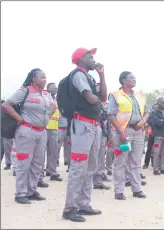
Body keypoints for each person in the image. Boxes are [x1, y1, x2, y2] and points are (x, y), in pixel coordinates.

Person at [63, 48, 107, 222]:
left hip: (92, 125)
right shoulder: (78, 75)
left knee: (90, 168)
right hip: (82, 125)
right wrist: (99, 102)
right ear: (81, 58)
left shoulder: (90, 76)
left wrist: (102, 75)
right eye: (90, 56)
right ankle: (70, 208)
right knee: (78, 167)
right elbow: (91, 98)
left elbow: (102, 96)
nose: (94, 58)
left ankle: (84, 204)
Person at [2, 68, 56, 204]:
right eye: (42, 77)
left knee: (37, 163)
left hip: (41, 132)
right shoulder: (25, 91)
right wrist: (19, 118)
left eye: (45, 77)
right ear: (34, 79)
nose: (45, 79)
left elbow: (53, 107)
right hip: (27, 131)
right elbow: (6, 104)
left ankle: (31, 190)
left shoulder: (45, 94)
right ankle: (20, 193)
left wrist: (46, 119)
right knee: (24, 162)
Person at [108, 71, 149, 201]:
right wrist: (121, 132)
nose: (134, 80)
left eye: (135, 78)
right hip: (124, 133)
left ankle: (136, 189)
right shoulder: (115, 95)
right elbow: (111, 115)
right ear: (123, 80)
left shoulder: (140, 95)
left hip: (138, 132)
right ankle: (119, 191)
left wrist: (142, 122)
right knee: (121, 161)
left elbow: (147, 112)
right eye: (131, 78)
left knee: (136, 161)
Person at [42, 83, 62, 182]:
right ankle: (40, 173)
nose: (54, 88)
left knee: (53, 152)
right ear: (47, 88)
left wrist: (57, 131)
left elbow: (57, 117)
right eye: (52, 87)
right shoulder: (44, 98)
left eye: (55, 87)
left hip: (54, 129)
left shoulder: (56, 101)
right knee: (41, 152)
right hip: (44, 128)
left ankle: (52, 172)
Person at [148, 97, 164, 176]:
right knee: (156, 152)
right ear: (157, 102)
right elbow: (156, 122)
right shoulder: (153, 112)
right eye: (161, 102)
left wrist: (163, 121)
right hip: (158, 135)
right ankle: (156, 168)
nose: (163, 104)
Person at [93, 101, 111, 190]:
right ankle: (87, 182)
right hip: (90, 129)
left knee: (100, 158)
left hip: (102, 131)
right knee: (91, 157)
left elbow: (107, 119)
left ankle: (98, 181)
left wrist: (109, 134)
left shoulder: (104, 105)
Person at [143, 104, 157, 169]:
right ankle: (146, 164)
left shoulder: (160, 114)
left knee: (156, 150)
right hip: (151, 134)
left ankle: (154, 163)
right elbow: (149, 122)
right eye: (154, 107)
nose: (155, 108)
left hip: (158, 134)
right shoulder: (150, 115)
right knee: (149, 149)